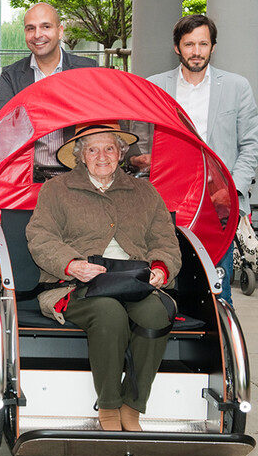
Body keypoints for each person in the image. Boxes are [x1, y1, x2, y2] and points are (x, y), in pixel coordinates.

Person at [26, 122, 181, 431]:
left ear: (120, 153)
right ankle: (109, 406)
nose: (102, 156)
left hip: (134, 282)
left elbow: (166, 240)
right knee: (108, 313)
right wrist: (72, 264)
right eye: (93, 149)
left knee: (155, 313)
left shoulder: (144, 191)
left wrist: (161, 269)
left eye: (109, 148)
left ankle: (132, 405)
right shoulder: (57, 190)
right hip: (77, 284)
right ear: (81, 155)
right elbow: (40, 237)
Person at [143, 14, 258, 304]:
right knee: (163, 282)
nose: (196, 51)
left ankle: (222, 347)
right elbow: (140, 144)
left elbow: (251, 144)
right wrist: (144, 161)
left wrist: (231, 190)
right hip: (165, 201)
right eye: (189, 44)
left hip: (218, 203)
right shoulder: (154, 87)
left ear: (213, 47)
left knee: (217, 289)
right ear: (176, 48)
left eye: (203, 44)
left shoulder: (236, 86)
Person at [0, 3, 97, 178]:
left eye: (46, 26)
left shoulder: (88, 71)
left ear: (60, 31)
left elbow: (109, 121)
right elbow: (6, 132)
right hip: (28, 177)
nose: (37, 35)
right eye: (30, 28)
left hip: (79, 176)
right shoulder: (10, 77)